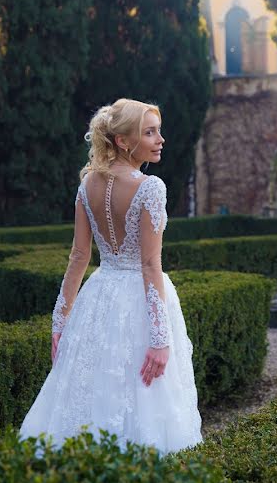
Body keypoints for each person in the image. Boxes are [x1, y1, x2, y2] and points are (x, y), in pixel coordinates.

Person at [18, 98, 203, 455]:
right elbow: (151, 266)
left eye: (158, 131)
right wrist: (160, 338)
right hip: (138, 299)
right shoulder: (151, 187)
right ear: (123, 141)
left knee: (95, 389)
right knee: (143, 394)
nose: (160, 139)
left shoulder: (87, 184)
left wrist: (61, 319)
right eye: (149, 132)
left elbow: (79, 257)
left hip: (98, 295)